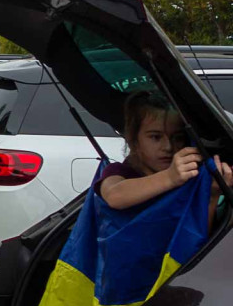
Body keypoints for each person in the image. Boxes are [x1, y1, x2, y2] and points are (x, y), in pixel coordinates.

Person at [98, 91, 232, 228]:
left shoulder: (191, 177)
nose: (168, 147)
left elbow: (197, 238)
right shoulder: (119, 171)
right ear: (134, 140)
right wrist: (170, 177)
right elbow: (114, 196)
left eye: (177, 138)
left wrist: (212, 196)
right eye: (156, 137)